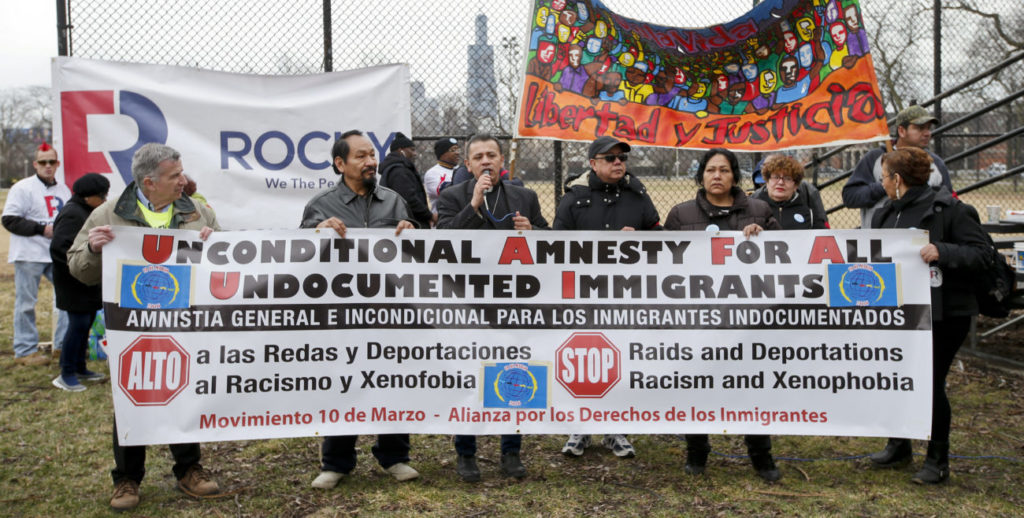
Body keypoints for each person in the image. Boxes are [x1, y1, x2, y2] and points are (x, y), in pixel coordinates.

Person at [66, 143, 221, 511]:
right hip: (131, 322)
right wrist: (92, 249)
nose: (183, 181)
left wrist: (216, 245)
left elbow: (225, 262)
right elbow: (78, 268)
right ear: (148, 182)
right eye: (174, 176)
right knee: (132, 395)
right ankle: (127, 478)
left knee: (183, 389)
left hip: (184, 321)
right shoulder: (108, 213)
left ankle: (188, 469)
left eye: (181, 173)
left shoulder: (197, 212)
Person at [300, 129, 419, 489]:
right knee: (342, 382)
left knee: (393, 379)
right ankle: (336, 462)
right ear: (340, 164)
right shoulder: (321, 205)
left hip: (389, 311)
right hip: (342, 315)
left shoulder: (394, 201)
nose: (370, 162)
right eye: (360, 156)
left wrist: (410, 230)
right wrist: (316, 231)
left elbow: (415, 254)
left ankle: (395, 457)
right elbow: (297, 255)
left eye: (372, 155)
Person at [868, 147, 988, 484]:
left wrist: (942, 251)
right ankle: (899, 444)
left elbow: (981, 254)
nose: (882, 183)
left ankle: (937, 459)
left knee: (929, 383)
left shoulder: (951, 211)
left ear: (898, 180)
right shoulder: (884, 214)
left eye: (884, 177)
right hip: (899, 314)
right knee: (897, 378)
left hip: (945, 315)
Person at [663, 147, 782, 482]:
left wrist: (766, 239)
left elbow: (789, 257)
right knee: (695, 385)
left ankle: (762, 458)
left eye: (724, 170)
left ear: (734, 176)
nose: (717, 176)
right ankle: (697, 454)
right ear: (701, 175)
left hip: (748, 324)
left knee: (751, 387)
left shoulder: (759, 210)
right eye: (711, 170)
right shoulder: (681, 215)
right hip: (697, 323)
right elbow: (660, 267)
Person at [437, 134, 548, 481]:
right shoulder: (451, 197)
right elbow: (445, 243)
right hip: (469, 305)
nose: (486, 161)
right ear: (467, 165)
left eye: (491, 155)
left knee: (516, 375)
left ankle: (511, 451)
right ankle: (466, 453)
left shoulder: (525, 197)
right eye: (478, 157)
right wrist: (472, 205)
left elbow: (551, 246)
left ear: (503, 160)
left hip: (514, 304)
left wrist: (533, 231)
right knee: (468, 379)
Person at [554, 135, 659, 459]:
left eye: (622, 158)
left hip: (626, 299)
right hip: (583, 297)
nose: (618, 163)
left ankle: (616, 428)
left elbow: (661, 242)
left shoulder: (638, 197)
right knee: (583, 360)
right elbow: (556, 248)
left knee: (622, 361)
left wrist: (640, 238)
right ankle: (580, 427)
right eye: (610, 158)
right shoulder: (574, 199)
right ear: (593, 163)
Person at [2, 142, 70, 366]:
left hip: (55, 254)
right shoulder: (22, 188)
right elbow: (9, 220)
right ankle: (24, 350)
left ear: (58, 163)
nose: (47, 166)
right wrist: (41, 229)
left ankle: (62, 346)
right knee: (26, 303)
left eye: (52, 162)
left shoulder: (63, 190)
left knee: (66, 300)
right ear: (35, 164)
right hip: (29, 254)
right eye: (43, 162)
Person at [842, 105, 953, 228]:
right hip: (878, 241)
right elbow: (850, 197)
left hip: (923, 240)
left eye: (928, 128)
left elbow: (947, 202)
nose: (927, 133)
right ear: (901, 131)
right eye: (920, 128)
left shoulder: (935, 163)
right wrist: (885, 184)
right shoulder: (875, 158)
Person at [50, 173, 110, 391]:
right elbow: (59, 248)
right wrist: (78, 267)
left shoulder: (85, 211)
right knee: (77, 326)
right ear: (87, 196)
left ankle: (80, 367)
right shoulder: (73, 214)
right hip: (73, 283)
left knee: (86, 323)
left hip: (87, 281)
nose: (104, 200)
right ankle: (65, 373)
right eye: (101, 196)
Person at [751, 155, 829, 229]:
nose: (781, 182)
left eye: (787, 178)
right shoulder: (752, 208)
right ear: (767, 182)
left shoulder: (810, 212)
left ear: (795, 185)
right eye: (776, 177)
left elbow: (823, 238)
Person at [379, 132, 434, 229]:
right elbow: (409, 200)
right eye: (412, 150)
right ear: (401, 150)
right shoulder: (399, 171)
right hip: (409, 225)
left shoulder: (398, 169)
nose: (415, 154)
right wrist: (429, 215)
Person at [423, 137, 460, 217]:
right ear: (442, 154)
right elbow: (446, 192)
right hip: (442, 220)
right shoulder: (432, 173)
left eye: (457, 149)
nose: (457, 153)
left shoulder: (460, 169)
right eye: (453, 150)